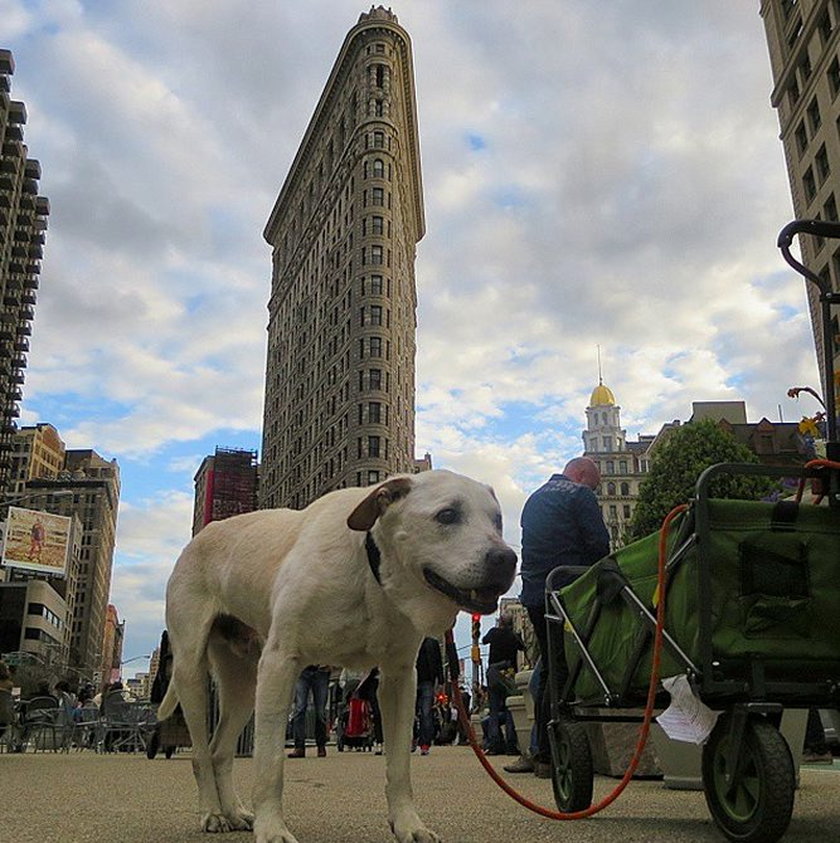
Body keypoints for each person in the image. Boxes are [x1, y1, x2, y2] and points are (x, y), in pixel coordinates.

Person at [513, 456, 609, 777]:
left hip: (536, 595)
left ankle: (541, 749)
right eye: (593, 485)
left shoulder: (535, 498)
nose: (592, 491)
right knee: (562, 669)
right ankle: (549, 751)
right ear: (581, 475)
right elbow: (599, 546)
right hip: (568, 592)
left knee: (551, 665)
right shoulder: (579, 495)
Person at [481, 613, 525, 755]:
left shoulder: (494, 633)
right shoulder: (513, 636)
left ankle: (495, 743)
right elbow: (522, 647)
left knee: (494, 710)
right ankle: (511, 744)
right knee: (509, 709)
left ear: (500, 622)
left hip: (494, 673)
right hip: (509, 673)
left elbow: (484, 640)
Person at [288, 665, 331, 758]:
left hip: (321, 670)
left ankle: (321, 745)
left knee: (320, 711)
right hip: (302, 670)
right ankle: (299, 746)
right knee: (300, 708)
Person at [414, 637, 444, 755]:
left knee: (426, 713)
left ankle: (425, 743)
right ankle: (414, 737)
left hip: (427, 681)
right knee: (410, 712)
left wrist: (440, 681)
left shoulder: (432, 642)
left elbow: (438, 662)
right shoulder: (410, 639)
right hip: (412, 680)